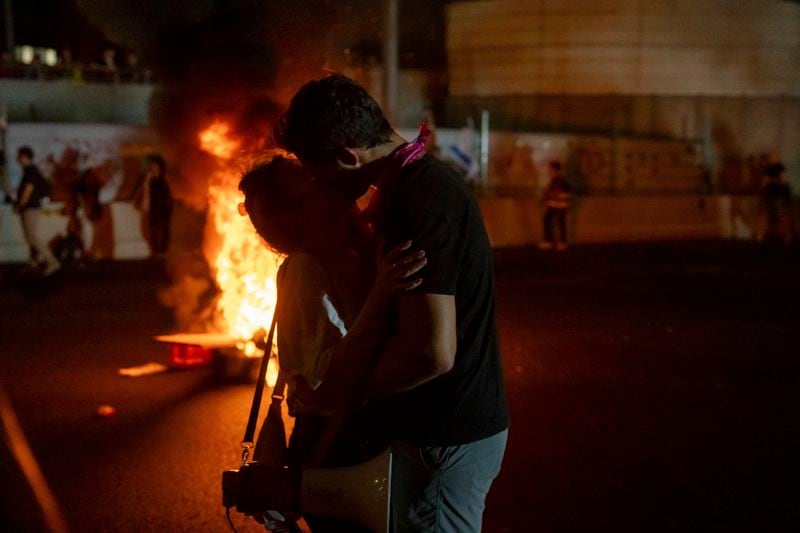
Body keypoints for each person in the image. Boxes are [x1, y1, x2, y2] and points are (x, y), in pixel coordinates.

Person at [275, 74, 509, 533]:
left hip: (442, 435)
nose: (315, 182)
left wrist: (341, 392)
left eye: (315, 168)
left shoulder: (417, 202)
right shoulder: (418, 184)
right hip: (446, 431)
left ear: (347, 155)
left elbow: (431, 353)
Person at [240, 156, 426, 532]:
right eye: (307, 180)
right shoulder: (305, 270)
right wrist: (381, 293)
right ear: (298, 211)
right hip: (338, 445)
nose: (324, 181)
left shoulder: (345, 255)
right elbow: (327, 379)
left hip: (355, 437)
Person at [14, 146, 61, 276]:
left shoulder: (30, 171)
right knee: (29, 237)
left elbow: (28, 190)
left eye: (19, 156)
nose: (17, 158)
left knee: (32, 236)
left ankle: (52, 261)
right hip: (29, 207)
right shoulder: (29, 171)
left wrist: (19, 205)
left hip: (31, 207)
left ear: (25, 157)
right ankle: (33, 263)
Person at [133, 154, 172, 256]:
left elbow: (168, 200)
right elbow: (139, 201)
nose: (153, 170)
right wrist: (146, 184)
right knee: (151, 237)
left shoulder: (164, 183)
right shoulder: (144, 181)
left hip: (162, 215)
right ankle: (155, 254)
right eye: (151, 167)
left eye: (155, 167)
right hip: (149, 214)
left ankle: (160, 254)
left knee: (161, 237)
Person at [539, 160, 572, 251]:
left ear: (555, 169)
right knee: (552, 222)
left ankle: (557, 242)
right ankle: (555, 241)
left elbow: (560, 194)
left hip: (558, 206)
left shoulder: (559, 181)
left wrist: (546, 198)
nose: (549, 171)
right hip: (556, 205)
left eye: (550, 169)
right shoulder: (556, 180)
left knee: (557, 222)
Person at [756, 162, 793, 244]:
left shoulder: (780, 168)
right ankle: (759, 235)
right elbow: (763, 183)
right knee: (763, 215)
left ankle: (787, 235)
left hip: (778, 196)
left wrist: (772, 180)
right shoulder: (767, 169)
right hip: (767, 196)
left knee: (781, 216)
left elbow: (783, 182)